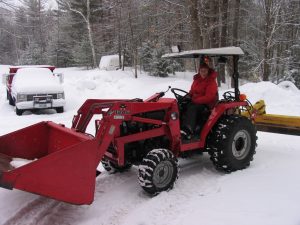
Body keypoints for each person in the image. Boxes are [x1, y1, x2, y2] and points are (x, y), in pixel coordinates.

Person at [181, 63, 218, 139]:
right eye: (202, 71)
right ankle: (178, 127)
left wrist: (195, 100)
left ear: (208, 71)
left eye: (205, 71)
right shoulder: (197, 80)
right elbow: (192, 91)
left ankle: (188, 130)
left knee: (192, 108)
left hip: (207, 104)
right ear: (199, 71)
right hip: (196, 101)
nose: (203, 73)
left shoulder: (211, 81)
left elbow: (209, 97)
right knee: (181, 105)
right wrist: (187, 97)